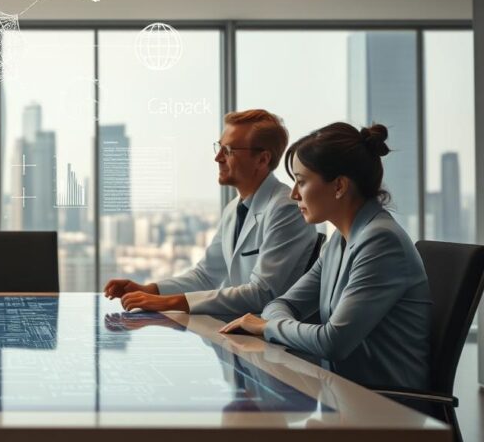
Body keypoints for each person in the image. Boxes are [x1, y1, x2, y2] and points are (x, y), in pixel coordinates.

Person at [219, 123, 431, 391]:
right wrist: (271, 322)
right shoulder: (339, 241)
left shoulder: (380, 242)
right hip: (344, 394)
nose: (294, 193)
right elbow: (282, 303)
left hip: (387, 407)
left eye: (302, 181)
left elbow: (332, 341)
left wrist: (266, 327)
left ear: (339, 186)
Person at [104, 109, 317, 316]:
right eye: (219, 147)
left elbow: (262, 293)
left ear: (262, 160)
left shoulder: (286, 209)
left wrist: (166, 302)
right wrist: (148, 290)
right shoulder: (234, 209)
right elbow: (205, 276)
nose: (218, 158)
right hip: (240, 333)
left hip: (272, 342)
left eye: (229, 150)